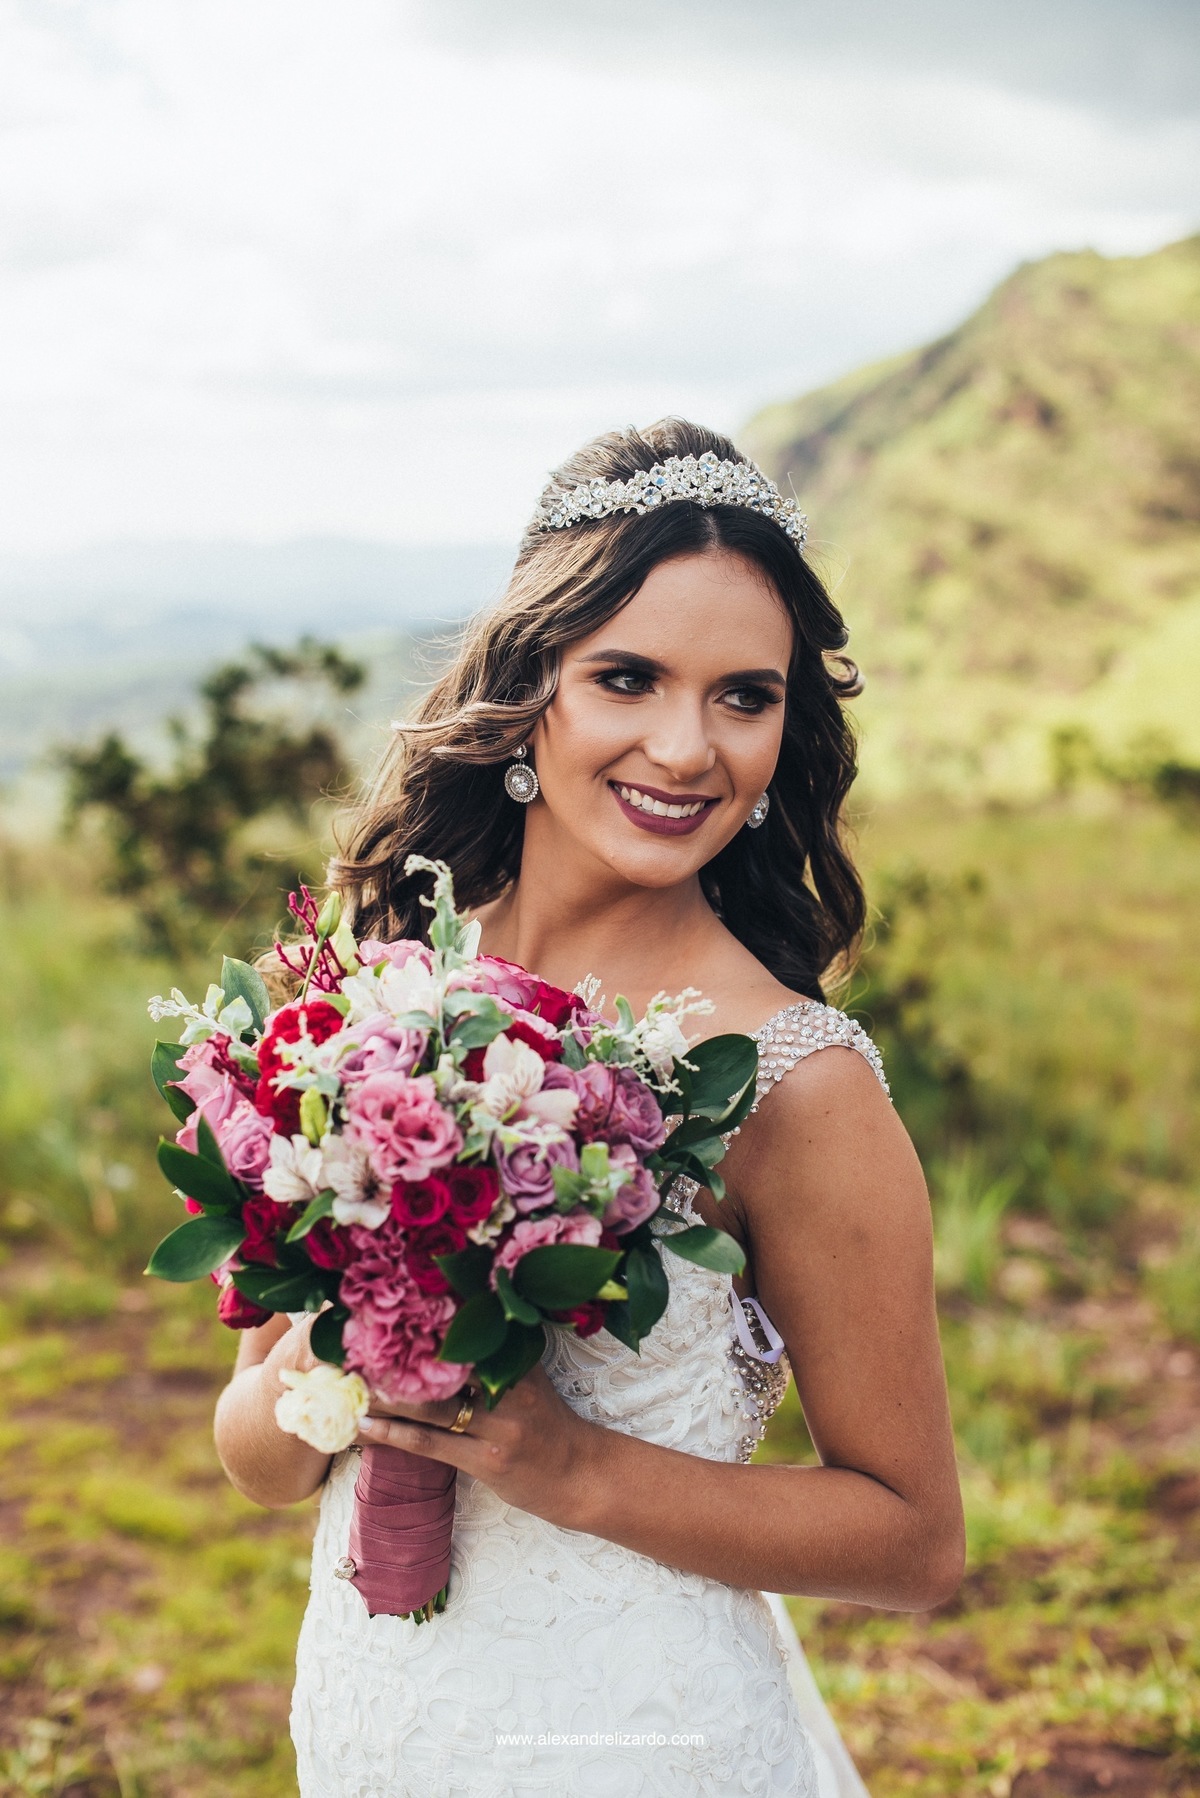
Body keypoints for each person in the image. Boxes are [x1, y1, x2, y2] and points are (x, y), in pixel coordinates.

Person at [214, 418, 965, 1796]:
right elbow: (257, 1454)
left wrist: (573, 1466)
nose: (687, 748)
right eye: (628, 677)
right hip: (382, 1718)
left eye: (746, 695)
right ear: (531, 684)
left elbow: (915, 1538)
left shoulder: (800, 1083)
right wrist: (334, 1368)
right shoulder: (387, 994)